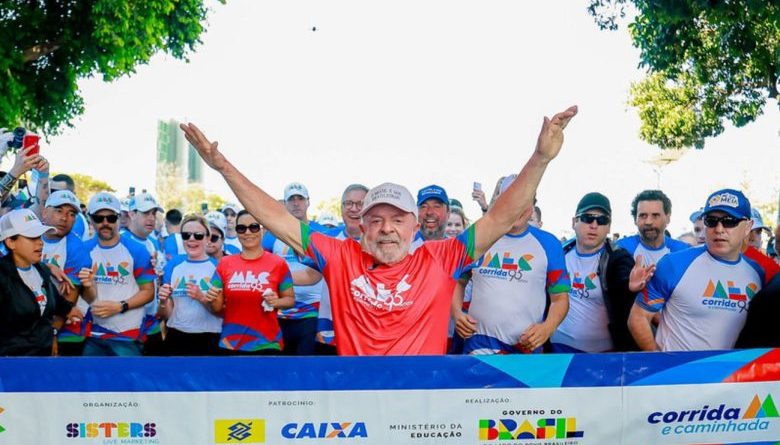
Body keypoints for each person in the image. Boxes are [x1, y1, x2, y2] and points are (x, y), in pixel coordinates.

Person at [180, 105, 578, 355]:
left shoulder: (442, 258)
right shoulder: (339, 256)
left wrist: (540, 158)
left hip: (422, 408)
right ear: (362, 225)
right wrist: (223, 168)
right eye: (376, 219)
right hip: (360, 408)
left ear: (414, 225)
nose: (386, 229)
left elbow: (500, 217)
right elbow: (276, 217)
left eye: (397, 219)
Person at [628, 189, 764, 351]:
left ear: (748, 227)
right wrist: (657, 358)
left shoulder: (757, 273)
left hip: (730, 367)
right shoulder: (674, 264)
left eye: (729, 221)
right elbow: (638, 317)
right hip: (678, 367)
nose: (719, 229)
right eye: (711, 221)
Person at [453, 175, 570, 354]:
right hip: (479, 343)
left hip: (525, 347)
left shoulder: (549, 244)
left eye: (523, 199)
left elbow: (560, 298)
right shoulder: (477, 236)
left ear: (532, 205)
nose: (516, 207)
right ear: (499, 202)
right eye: (509, 199)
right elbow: (458, 281)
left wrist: (547, 328)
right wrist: (457, 313)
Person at [549, 192, 652, 353]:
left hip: (601, 354)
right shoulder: (560, 253)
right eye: (588, 218)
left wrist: (629, 289)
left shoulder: (617, 258)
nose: (594, 225)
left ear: (609, 227)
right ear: (574, 222)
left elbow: (622, 284)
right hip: (558, 348)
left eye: (602, 220)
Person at [78, 192, 155, 356]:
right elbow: (83, 295)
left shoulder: (137, 250)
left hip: (127, 335)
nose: (105, 223)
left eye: (111, 218)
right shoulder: (83, 250)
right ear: (90, 219)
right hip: (94, 334)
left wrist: (121, 306)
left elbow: (149, 292)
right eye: (99, 218)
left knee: (128, 374)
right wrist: (88, 287)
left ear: (119, 218)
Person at [208, 210, 295, 354]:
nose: (247, 232)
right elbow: (216, 309)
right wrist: (212, 298)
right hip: (231, 343)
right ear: (236, 232)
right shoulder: (225, 263)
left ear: (263, 229)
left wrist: (276, 302)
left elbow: (290, 300)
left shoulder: (278, 263)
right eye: (241, 228)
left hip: (267, 344)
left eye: (254, 227)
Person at [262, 182, 328, 355]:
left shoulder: (322, 232)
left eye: (300, 198)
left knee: (306, 365)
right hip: (281, 312)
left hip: (313, 311)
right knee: (281, 365)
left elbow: (321, 272)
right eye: (291, 199)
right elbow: (263, 269)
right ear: (285, 203)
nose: (296, 203)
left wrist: (280, 278)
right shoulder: (272, 235)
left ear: (308, 202)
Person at [0, 208, 74, 355]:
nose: (40, 243)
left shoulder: (43, 270)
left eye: (39, 237)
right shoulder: (2, 277)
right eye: (32, 237)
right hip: (11, 363)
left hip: (43, 361)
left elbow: (58, 305)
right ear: (10, 242)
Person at [157, 214, 222, 355]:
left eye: (198, 235)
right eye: (186, 235)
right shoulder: (173, 265)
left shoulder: (218, 268)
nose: (191, 239)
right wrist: (163, 301)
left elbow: (222, 311)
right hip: (176, 337)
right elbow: (167, 314)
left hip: (208, 338)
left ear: (208, 238)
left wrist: (201, 297)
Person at [41, 190, 91, 355]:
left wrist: (53, 332)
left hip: (65, 329)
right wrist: (48, 267)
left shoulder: (77, 249)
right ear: (45, 213)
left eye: (71, 214)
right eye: (59, 211)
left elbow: (70, 297)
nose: (65, 218)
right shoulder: (29, 235)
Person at [122, 192, 166, 355]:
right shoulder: (120, 241)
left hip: (150, 320)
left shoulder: (151, 243)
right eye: (146, 213)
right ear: (132, 214)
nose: (151, 218)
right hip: (127, 322)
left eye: (154, 213)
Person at [617, 190, 689, 266]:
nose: (649, 222)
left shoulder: (683, 251)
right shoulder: (621, 249)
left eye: (655, 215)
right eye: (643, 216)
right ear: (635, 220)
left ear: (667, 218)